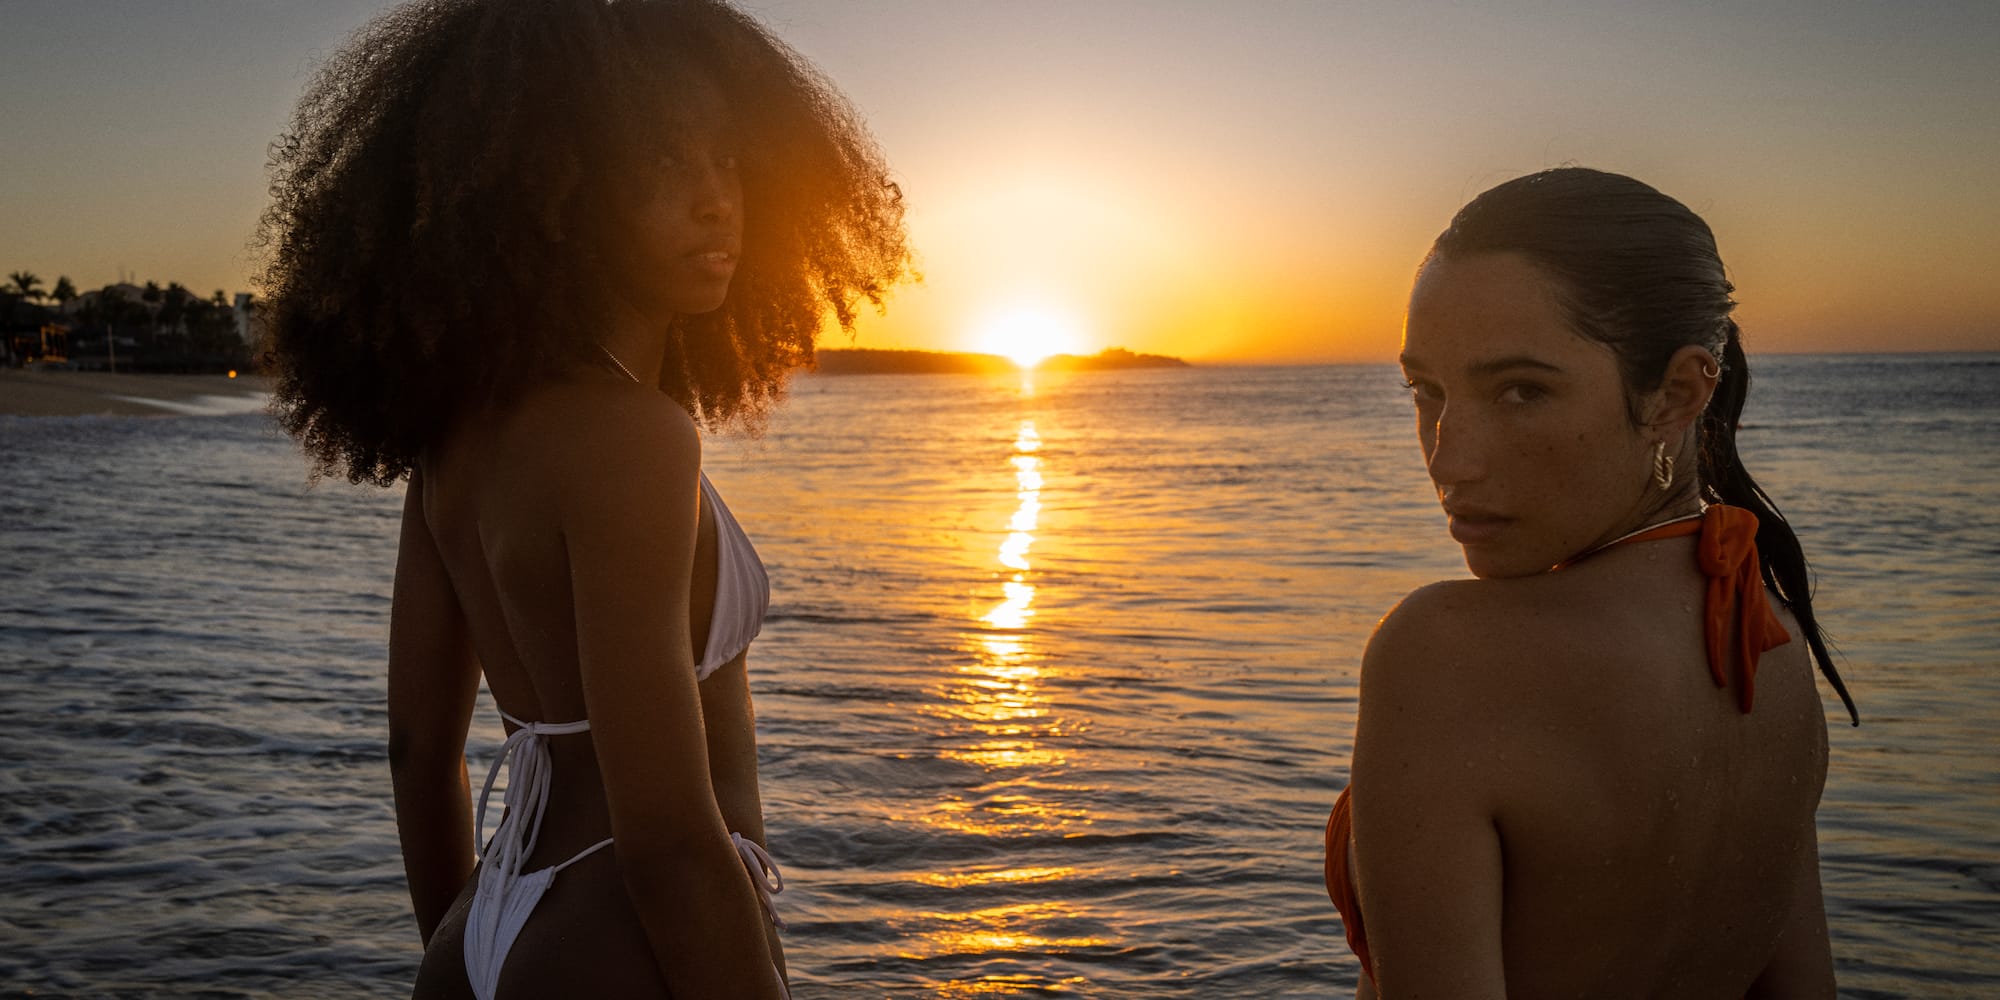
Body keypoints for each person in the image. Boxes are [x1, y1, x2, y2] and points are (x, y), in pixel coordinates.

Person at [256, 1, 910, 996]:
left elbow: (416, 752)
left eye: (726, 159)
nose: (713, 200)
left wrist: (476, 957)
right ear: (551, 193)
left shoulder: (458, 442)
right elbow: (669, 840)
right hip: (621, 932)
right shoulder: (636, 438)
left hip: (485, 928)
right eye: (658, 164)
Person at [1324, 167, 1858, 999]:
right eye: (1425, 392)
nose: (1447, 457)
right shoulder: (1767, 646)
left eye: (1520, 391)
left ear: (1678, 393)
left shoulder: (1445, 656)